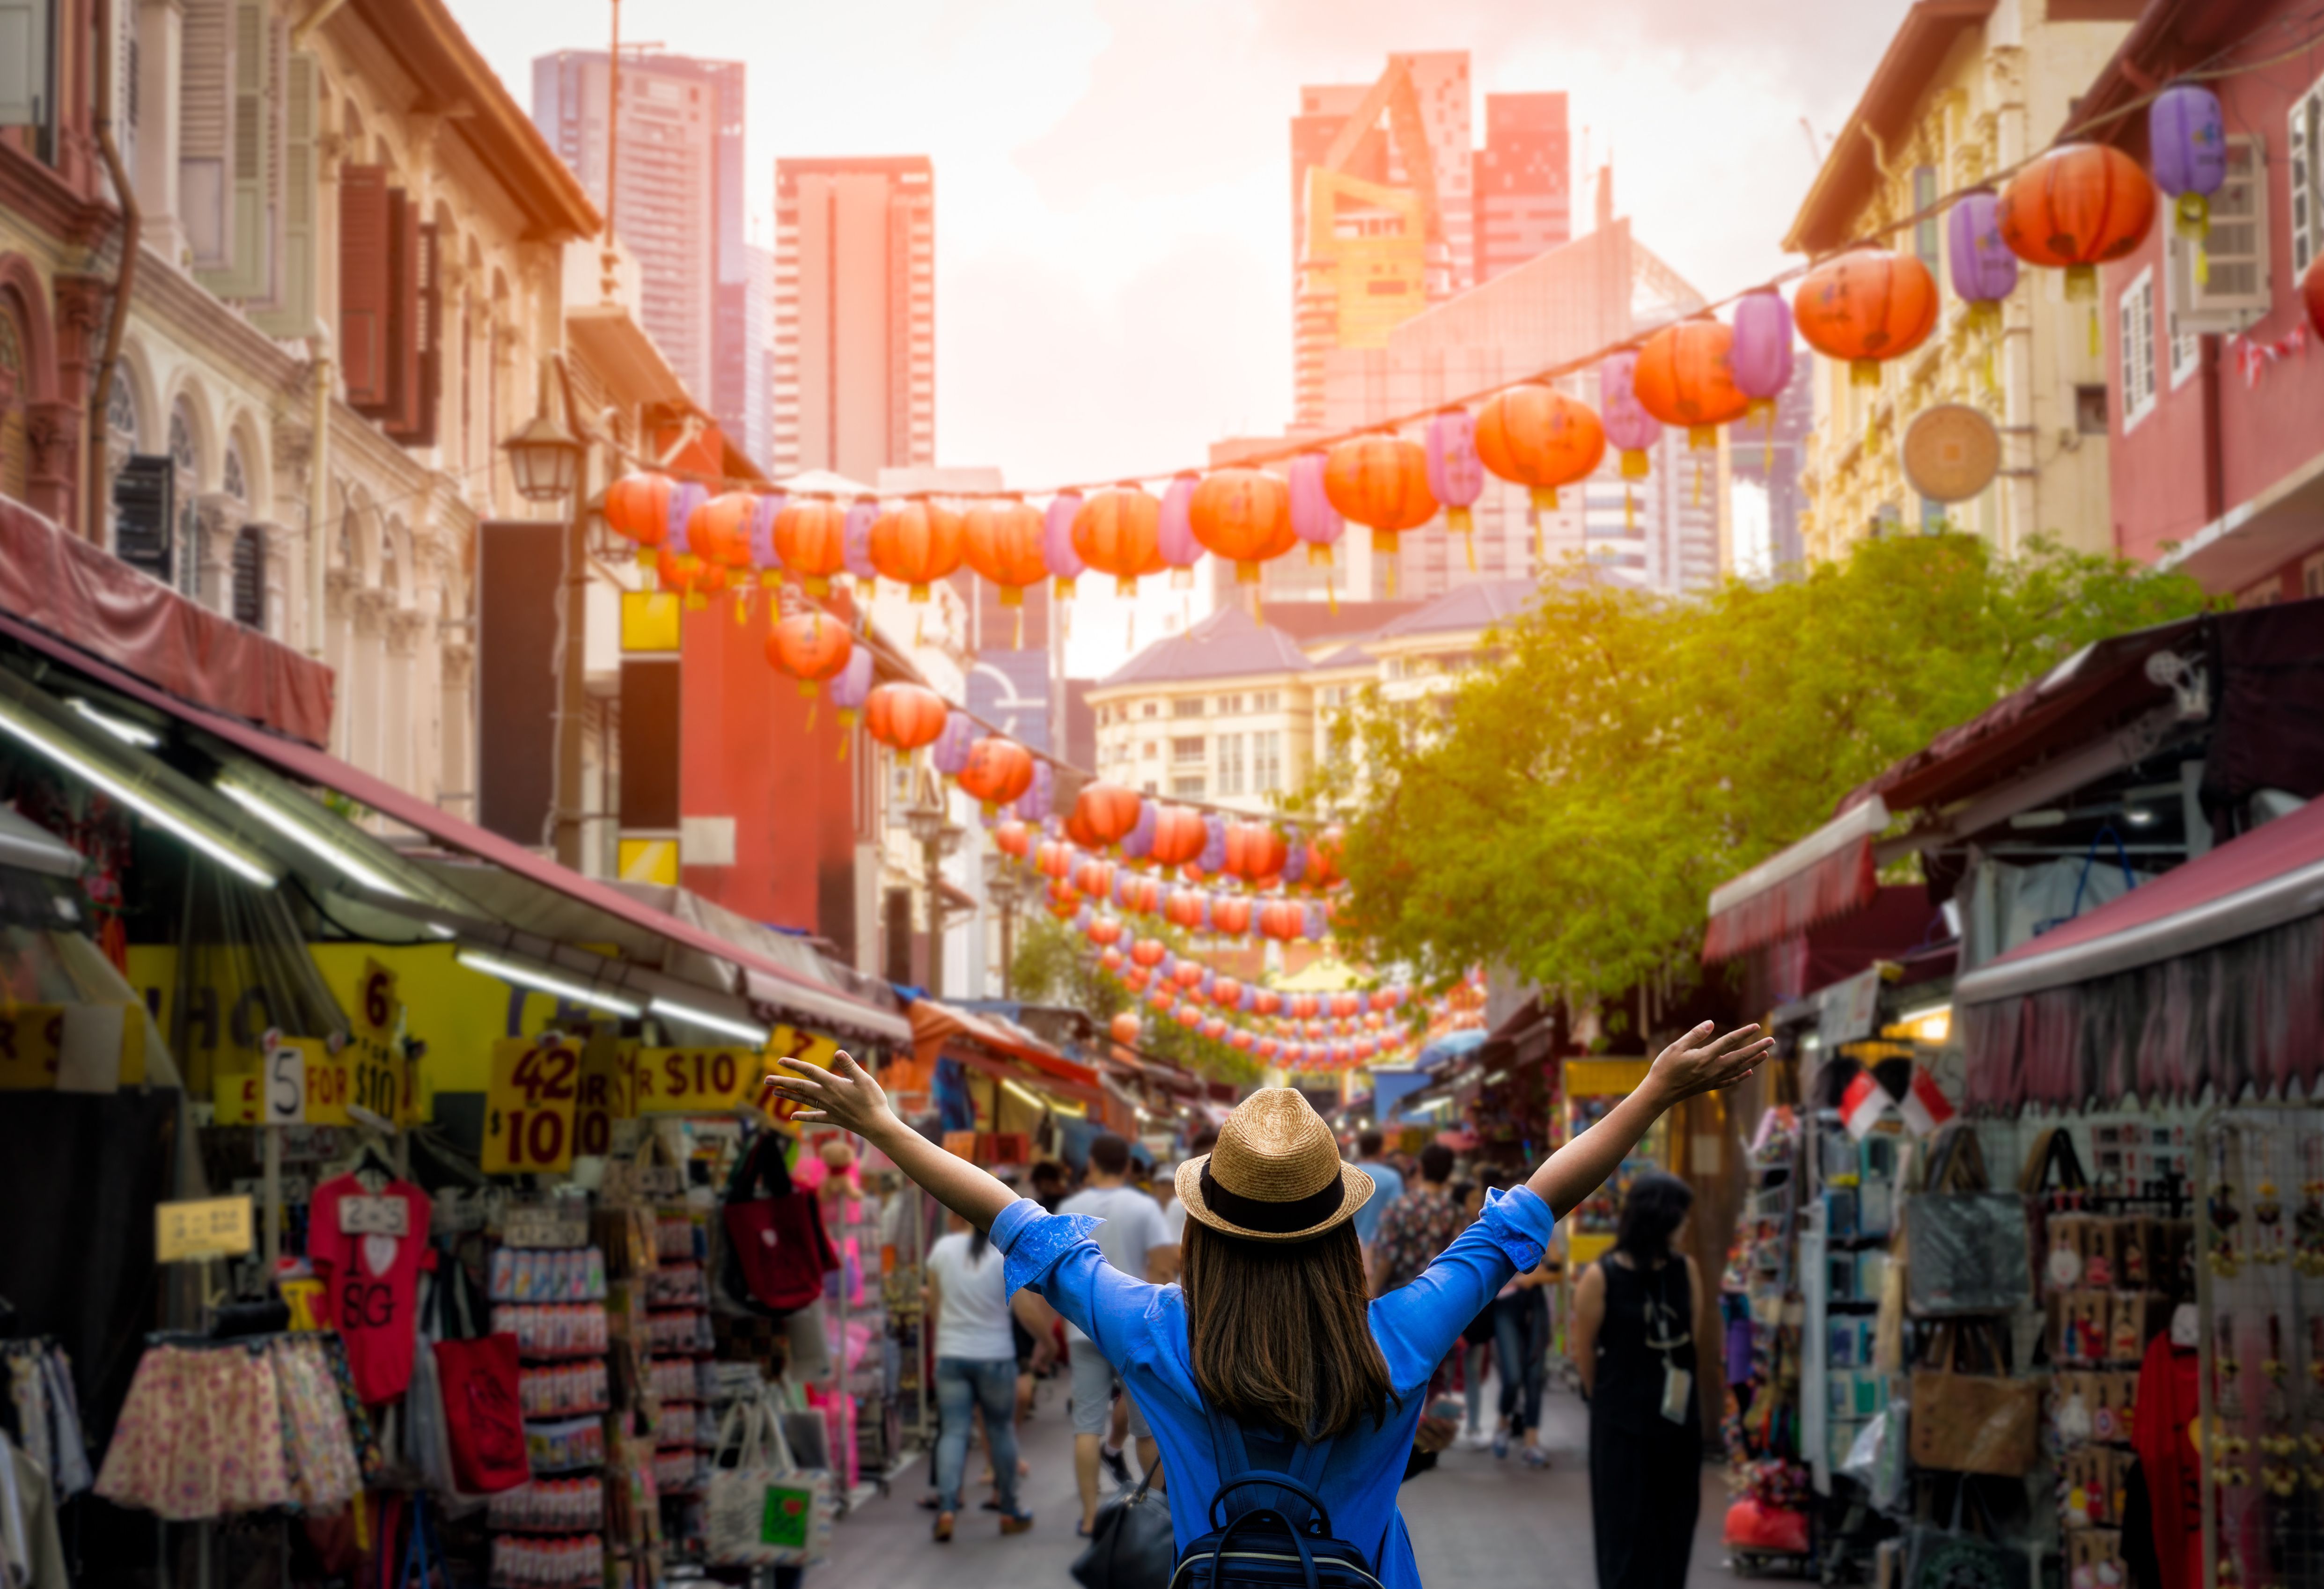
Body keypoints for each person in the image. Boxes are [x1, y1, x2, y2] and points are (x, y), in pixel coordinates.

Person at [765, 1019, 1768, 1589]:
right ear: (1339, 1227)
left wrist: (887, 1129)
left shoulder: (1159, 1332)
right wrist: (1652, 1094)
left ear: (1205, 1225)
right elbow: (1533, 1204)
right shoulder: (1400, 1336)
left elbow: (1019, 1219)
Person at [1571, 1173, 1704, 1589]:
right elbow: (1584, 1349)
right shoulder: (1602, 1275)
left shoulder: (1687, 1269)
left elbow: (1692, 1337)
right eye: (1680, 1216)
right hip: (1620, 1422)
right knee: (1622, 1528)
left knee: (1675, 1524)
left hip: (1678, 1421)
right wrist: (1604, 1401)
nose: (1685, 1226)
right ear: (1659, 1218)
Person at [1056, 1132, 1170, 1532]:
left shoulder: (1069, 1206)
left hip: (1082, 1322)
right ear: (1126, 1166)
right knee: (1146, 1427)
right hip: (1133, 1325)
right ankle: (1159, 1516)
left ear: (1091, 1164)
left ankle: (1090, 1517)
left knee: (1087, 1425)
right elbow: (1162, 1264)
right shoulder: (1143, 1207)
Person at [924, 1208, 1056, 1540]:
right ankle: (1010, 1510)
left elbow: (936, 1310)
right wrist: (1048, 1343)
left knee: (953, 1432)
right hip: (995, 1356)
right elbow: (1026, 1311)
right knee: (1001, 1431)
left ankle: (947, 1509)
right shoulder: (1004, 1255)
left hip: (952, 1354)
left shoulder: (941, 1251)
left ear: (957, 1218)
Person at [1369, 1142, 1460, 1296]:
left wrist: (1373, 1292)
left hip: (1401, 1295)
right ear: (1449, 1173)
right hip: (1442, 1294)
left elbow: (1387, 1258)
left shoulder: (1400, 1207)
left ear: (1420, 1167)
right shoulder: (1455, 1211)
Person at [1350, 1128, 1406, 1250]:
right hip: (1382, 1249)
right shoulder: (1392, 1177)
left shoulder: (1348, 1177)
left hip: (1352, 1249)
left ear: (1360, 1148)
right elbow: (1398, 1214)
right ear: (1380, 1149)